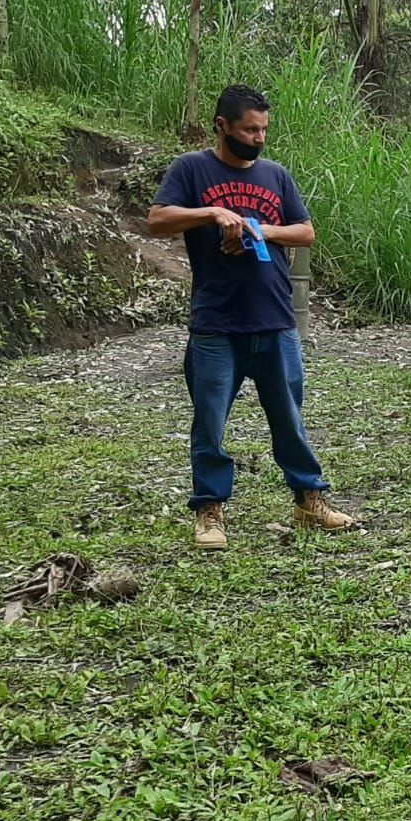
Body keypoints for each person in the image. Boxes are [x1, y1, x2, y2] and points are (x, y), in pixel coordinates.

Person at [148, 84, 354, 551]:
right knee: (210, 421)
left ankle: (309, 499)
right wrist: (212, 213)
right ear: (222, 126)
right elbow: (158, 219)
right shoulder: (192, 169)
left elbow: (305, 232)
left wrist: (260, 228)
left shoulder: (276, 176)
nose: (259, 137)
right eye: (249, 129)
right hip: (216, 324)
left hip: (275, 320)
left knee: (289, 418)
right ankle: (209, 510)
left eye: (264, 129)